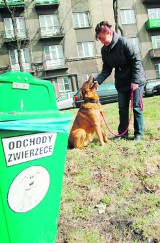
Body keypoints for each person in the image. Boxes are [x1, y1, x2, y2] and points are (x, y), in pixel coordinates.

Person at [94, 21, 146, 141]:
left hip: (135, 78)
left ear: (109, 33)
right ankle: (123, 134)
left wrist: (135, 81)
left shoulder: (125, 43)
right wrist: (97, 82)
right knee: (122, 108)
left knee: (136, 107)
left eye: (102, 38)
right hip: (121, 81)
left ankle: (138, 133)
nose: (101, 41)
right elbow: (106, 69)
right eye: (99, 39)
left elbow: (136, 62)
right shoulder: (104, 50)